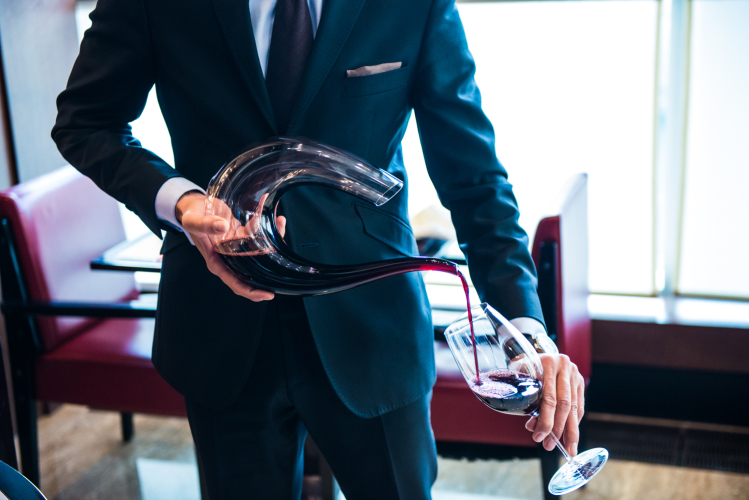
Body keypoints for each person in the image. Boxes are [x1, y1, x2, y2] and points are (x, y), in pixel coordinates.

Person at [53, 0, 586, 498]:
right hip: (221, 328)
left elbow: (475, 180)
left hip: (374, 329)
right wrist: (183, 202)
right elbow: (86, 122)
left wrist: (524, 329)